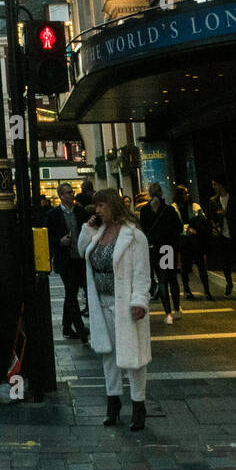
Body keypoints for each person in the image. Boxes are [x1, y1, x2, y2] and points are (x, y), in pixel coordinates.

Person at [78, 190, 152, 432]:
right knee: (108, 354)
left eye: (101, 205)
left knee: (133, 357)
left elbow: (142, 273)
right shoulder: (98, 232)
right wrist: (87, 230)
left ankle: (138, 405)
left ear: (113, 206)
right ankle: (113, 402)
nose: (97, 210)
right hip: (101, 303)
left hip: (126, 302)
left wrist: (140, 301)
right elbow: (81, 252)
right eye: (95, 206)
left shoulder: (134, 235)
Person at [46, 182, 89, 340]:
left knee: (71, 293)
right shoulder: (53, 214)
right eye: (68, 192)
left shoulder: (80, 211)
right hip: (65, 259)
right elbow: (48, 237)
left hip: (80, 258)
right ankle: (80, 328)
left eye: (72, 192)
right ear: (61, 196)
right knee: (71, 291)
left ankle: (66, 326)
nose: (72, 194)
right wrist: (59, 241)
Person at [140, 183, 183, 323]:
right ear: (161, 193)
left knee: (162, 281)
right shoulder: (168, 209)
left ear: (150, 194)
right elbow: (179, 227)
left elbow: (143, 229)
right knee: (172, 279)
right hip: (168, 247)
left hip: (154, 249)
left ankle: (167, 314)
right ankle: (177, 309)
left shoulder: (145, 210)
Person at [208, 178, 236, 299]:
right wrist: (214, 227)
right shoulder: (213, 201)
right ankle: (229, 282)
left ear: (221, 185)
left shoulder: (234, 199)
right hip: (222, 235)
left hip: (235, 234)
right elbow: (211, 217)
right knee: (225, 262)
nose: (213, 187)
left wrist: (227, 214)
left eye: (215, 184)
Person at [178, 194, 214, 301]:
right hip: (185, 240)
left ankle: (206, 290)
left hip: (195, 241)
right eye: (184, 193)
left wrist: (195, 229)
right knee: (186, 267)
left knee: (200, 266)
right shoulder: (176, 208)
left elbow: (203, 221)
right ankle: (188, 290)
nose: (187, 195)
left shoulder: (194, 206)